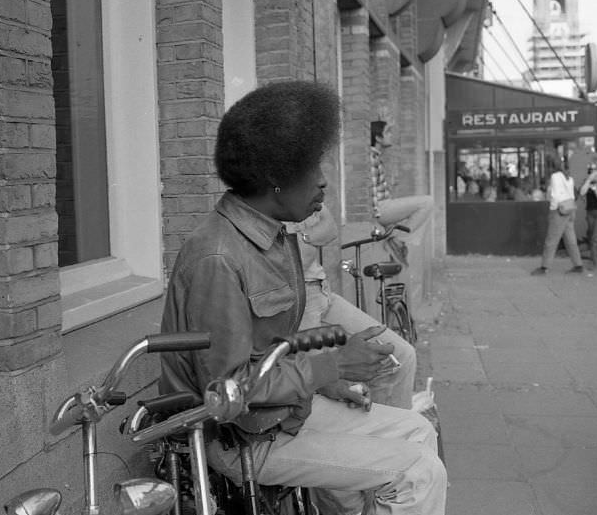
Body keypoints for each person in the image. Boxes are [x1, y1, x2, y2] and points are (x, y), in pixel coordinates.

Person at [160, 81, 446, 515]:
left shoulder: (271, 235)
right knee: (418, 471)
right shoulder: (217, 258)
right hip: (241, 439)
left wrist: (328, 382)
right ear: (276, 176)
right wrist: (333, 364)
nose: (323, 180)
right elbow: (227, 389)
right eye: (312, 165)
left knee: (419, 433)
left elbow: (272, 352)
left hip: (282, 416)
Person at [285, 204, 416, 409]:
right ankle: (377, 435)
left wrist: (301, 238)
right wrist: (311, 236)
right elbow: (297, 261)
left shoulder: (303, 185)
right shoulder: (269, 194)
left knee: (401, 356)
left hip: (324, 291)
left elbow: (330, 227)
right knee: (319, 385)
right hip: (298, 299)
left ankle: (392, 433)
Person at [370, 120, 434, 264]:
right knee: (427, 202)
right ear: (378, 138)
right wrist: (377, 220)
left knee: (421, 213)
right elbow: (373, 192)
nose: (391, 135)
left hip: (384, 207)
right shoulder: (371, 157)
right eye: (388, 132)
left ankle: (396, 239)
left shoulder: (376, 156)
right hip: (381, 209)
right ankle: (400, 240)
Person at [532, 154, 585, 275]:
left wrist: (555, 208)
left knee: (551, 240)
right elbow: (571, 195)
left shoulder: (555, 176)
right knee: (571, 239)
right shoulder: (569, 177)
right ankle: (578, 265)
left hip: (559, 211)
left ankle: (544, 267)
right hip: (570, 209)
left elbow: (556, 195)